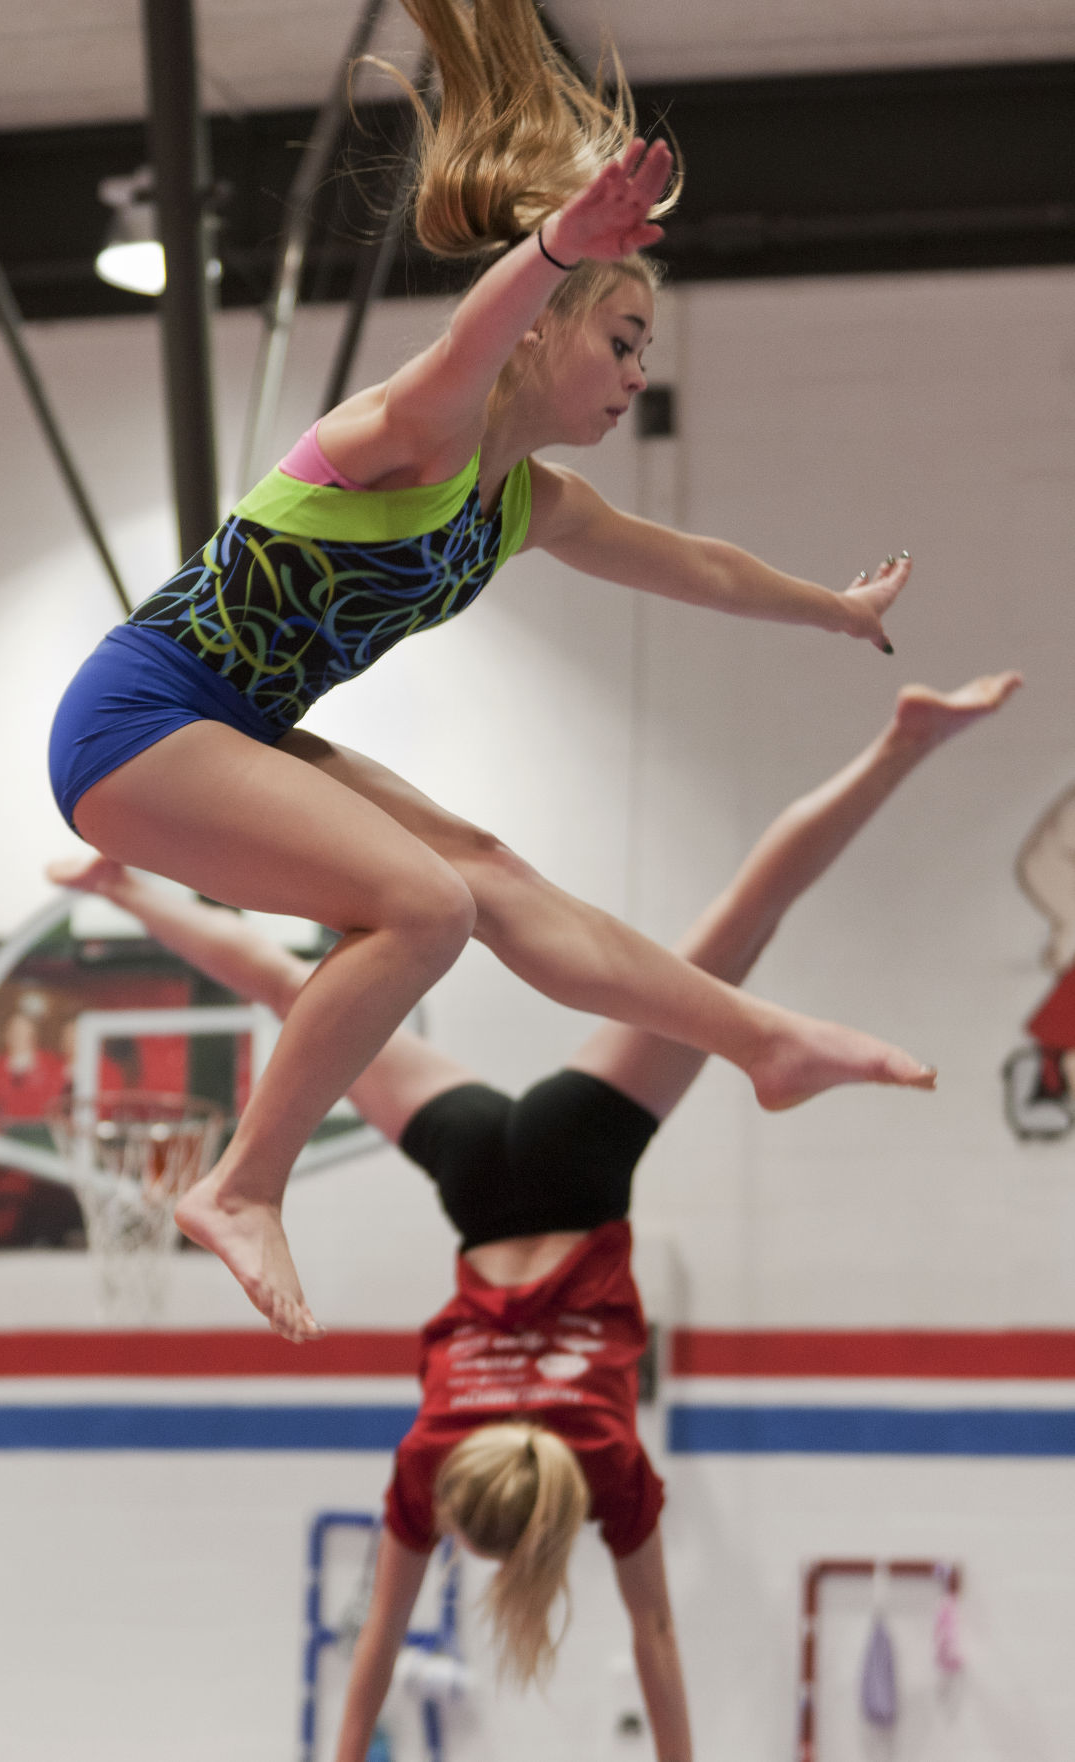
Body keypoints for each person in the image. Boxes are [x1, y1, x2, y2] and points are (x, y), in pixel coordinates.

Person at [48, 0, 933, 1342]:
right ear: (538, 330)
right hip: (137, 718)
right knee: (422, 904)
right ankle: (243, 1181)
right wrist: (553, 247)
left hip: (231, 723)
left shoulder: (527, 503)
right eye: (620, 339)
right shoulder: (408, 429)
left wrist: (829, 610)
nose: (637, 372)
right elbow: (467, 342)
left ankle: (756, 1040)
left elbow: (691, 563)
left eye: (644, 350)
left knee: (490, 873)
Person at [49, 668, 1021, 1755]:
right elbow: (377, 1646)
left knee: (732, 934)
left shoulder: (604, 1461)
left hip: (578, 1163)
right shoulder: (430, 1463)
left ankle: (899, 745)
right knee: (291, 991)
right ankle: (126, 889)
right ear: (474, 1506)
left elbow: (653, 1635)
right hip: (477, 1180)